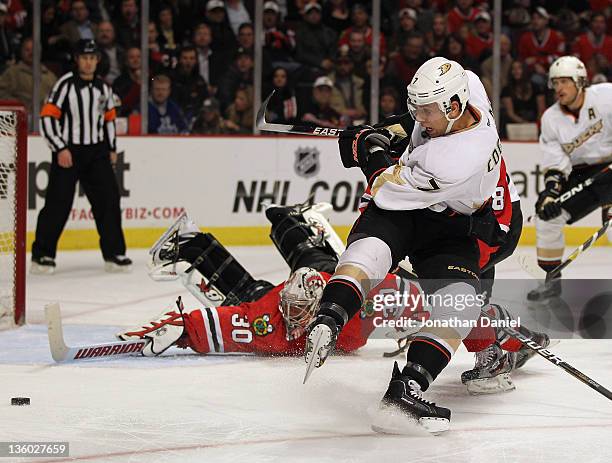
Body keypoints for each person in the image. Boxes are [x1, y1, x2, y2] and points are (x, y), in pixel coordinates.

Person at [304, 57, 505, 434]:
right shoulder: (469, 86)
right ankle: (330, 316)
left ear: (453, 107)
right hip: (418, 209)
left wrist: (371, 151)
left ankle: (406, 388)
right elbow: (410, 126)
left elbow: (387, 186)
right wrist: (389, 127)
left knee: (461, 306)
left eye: (426, 111)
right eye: (417, 107)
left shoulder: (458, 158)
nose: (420, 118)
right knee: (369, 253)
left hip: (443, 223)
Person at [117, 205, 422, 357]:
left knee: (316, 258)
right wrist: (184, 327)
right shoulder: (273, 316)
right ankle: (191, 245)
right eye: (290, 310)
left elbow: (407, 291)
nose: (291, 319)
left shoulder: (354, 305)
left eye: (300, 312)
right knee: (248, 296)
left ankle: (289, 218)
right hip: (301, 284)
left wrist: (415, 316)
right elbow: (231, 321)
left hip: (326, 276)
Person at [32, 39, 131, 274]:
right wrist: (60, 147)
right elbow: (47, 117)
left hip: (96, 152)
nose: (88, 62)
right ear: (77, 60)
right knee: (58, 203)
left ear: (98, 60)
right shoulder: (65, 85)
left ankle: (114, 253)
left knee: (109, 199)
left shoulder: (103, 88)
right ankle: (42, 255)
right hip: (70, 150)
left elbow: (108, 120)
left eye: (92, 58)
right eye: (84, 58)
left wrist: (112, 148)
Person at [528, 56, 612, 302]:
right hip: (582, 173)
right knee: (546, 217)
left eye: (565, 81)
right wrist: (552, 191)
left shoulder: (606, 96)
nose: (559, 88)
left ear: (580, 82)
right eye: (555, 83)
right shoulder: (551, 118)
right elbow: (556, 162)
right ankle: (551, 282)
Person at [0, 37, 57, 118]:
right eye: (27, 50)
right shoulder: (12, 73)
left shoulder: (50, 76)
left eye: (34, 50)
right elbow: (1, 94)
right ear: (21, 52)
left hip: (46, 119)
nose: (31, 53)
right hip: (20, 119)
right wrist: (19, 105)